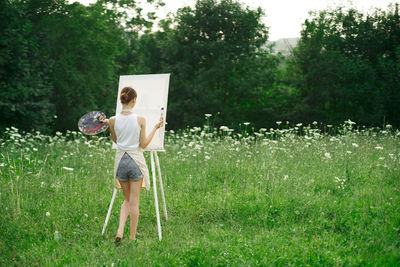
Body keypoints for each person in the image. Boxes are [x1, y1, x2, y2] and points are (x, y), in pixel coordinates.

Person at [102, 86, 163, 246]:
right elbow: (143, 145)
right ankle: (132, 237)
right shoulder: (141, 119)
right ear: (134, 101)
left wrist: (109, 124)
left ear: (122, 100)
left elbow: (116, 141)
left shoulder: (113, 120)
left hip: (121, 162)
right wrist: (155, 128)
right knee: (134, 203)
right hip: (135, 161)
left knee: (126, 201)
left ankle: (119, 231)